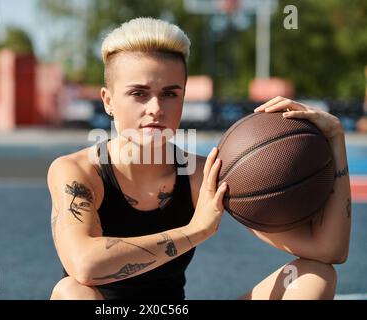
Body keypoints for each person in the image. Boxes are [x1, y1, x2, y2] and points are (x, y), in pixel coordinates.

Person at [47, 17, 350, 300]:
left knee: (314, 275)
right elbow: (84, 264)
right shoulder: (76, 171)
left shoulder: (203, 175)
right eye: (139, 93)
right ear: (108, 101)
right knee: (72, 292)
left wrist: (336, 141)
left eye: (169, 94)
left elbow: (328, 250)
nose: (155, 108)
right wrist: (197, 230)